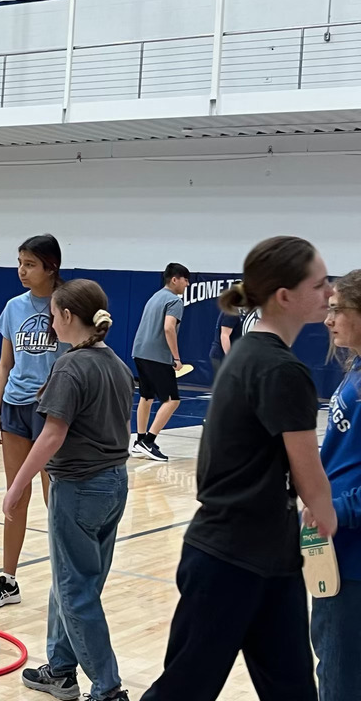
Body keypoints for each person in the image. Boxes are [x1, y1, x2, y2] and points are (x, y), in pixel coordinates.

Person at [142, 236, 337, 701]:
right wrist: (328, 518)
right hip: (230, 558)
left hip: (269, 554)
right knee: (184, 689)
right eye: (320, 283)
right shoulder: (281, 369)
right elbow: (311, 479)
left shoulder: (246, 355)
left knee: (291, 689)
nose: (330, 292)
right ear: (285, 297)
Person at [6, 279, 133, 701]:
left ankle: (108, 687)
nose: (50, 324)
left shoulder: (70, 366)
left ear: (66, 316)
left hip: (78, 488)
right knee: (74, 582)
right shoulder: (115, 363)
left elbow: (51, 436)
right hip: (114, 484)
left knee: (75, 589)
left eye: (53, 316)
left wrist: (17, 486)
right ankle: (61, 669)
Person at [0, 234, 66, 609]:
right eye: (19, 262)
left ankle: (63, 581)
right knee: (15, 496)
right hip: (16, 407)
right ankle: (8, 579)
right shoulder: (14, 307)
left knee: (56, 500)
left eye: (30, 264)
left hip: (53, 411)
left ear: (51, 267)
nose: (21, 270)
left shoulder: (66, 306)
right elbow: (5, 364)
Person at [311, 269, 361, 700]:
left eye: (337, 310)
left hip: (352, 552)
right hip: (333, 545)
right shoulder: (356, 370)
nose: (328, 320)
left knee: (341, 673)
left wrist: (334, 512)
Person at [130, 262, 191, 462]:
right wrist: (176, 358)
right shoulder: (174, 301)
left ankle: (139, 441)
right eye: (185, 280)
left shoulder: (155, 297)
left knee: (146, 397)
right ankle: (148, 441)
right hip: (157, 355)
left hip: (139, 352)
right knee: (173, 399)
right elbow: (168, 328)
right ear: (175, 279)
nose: (187, 284)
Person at [208, 303, 245, 378]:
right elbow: (225, 336)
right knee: (226, 386)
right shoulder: (232, 313)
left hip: (221, 355)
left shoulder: (233, 311)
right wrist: (229, 357)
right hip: (221, 356)